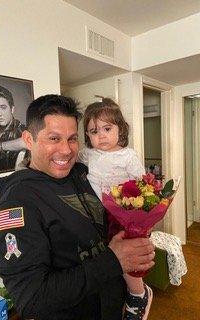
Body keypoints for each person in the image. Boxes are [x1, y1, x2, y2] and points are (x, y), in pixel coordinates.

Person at [0, 94, 155, 320]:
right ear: (29, 140)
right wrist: (113, 261)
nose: (66, 150)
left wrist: (134, 233)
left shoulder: (81, 172)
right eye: (54, 138)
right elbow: (32, 299)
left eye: (72, 138)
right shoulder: (17, 204)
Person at [78, 98, 152, 320]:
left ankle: (139, 294)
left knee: (128, 256)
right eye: (93, 131)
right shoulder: (88, 154)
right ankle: (124, 294)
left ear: (120, 129)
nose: (100, 135)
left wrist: (142, 217)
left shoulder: (127, 155)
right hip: (97, 215)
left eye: (107, 128)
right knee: (109, 258)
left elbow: (143, 185)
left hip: (124, 215)